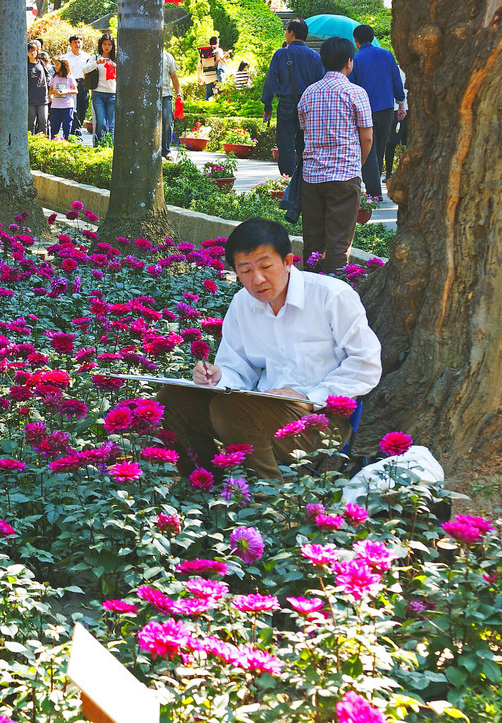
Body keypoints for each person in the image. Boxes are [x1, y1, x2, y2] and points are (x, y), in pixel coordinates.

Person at [155, 217, 381, 479]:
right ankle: (206, 483)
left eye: (265, 266)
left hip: (322, 420)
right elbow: (237, 368)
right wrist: (218, 375)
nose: (258, 279)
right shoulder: (242, 303)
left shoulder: (330, 296)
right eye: (246, 271)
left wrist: (309, 398)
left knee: (231, 409)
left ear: (287, 261)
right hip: (260, 408)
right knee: (173, 399)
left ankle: (268, 496)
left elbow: (366, 365)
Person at [298, 37, 372, 274]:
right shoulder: (356, 93)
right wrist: (357, 165)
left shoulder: (309, 93)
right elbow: (367, 138)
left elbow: (305, 131)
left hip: (312, 178)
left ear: (323, 61)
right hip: (344, 177)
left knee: (313, 242)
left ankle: (311, 286)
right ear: (349, 62)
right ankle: (336, 286)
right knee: (339, 243)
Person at [261, 18, 324, 183]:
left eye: (286, 31)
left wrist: (267, 106)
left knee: (285, 145)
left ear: (292, 33)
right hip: (309, 106)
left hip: (287, 104)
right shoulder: (315, 56)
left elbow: (271, 82)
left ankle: (289, 181)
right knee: (306, 144)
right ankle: (305, 180)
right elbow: (321, 83)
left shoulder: (281, 54)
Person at [349, 24, 405, 201]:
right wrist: (401, 103)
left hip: (366, 109)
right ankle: (375, 187)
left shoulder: (356, 59)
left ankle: (374, 191)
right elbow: (396, 80)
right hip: (387, 109)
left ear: (355, 40)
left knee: (368, 149)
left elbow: (352, 86)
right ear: (373, 38)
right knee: (379, 147)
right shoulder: (387, 55)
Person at [81, 33, 117, 143]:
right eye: (104, 44)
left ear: (113, 46)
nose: (107, 47)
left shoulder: (116, 59)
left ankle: (109, 146)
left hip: (112, 94)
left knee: (111, 124)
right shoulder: (95, 57)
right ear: (101, 45)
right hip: (98, 94)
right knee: (101, 122)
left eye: (109, 44)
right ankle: (98, 145)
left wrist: (117, 67)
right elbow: (84, 70)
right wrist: (97, 63)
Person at [63, 34, 89, 139]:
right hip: (72, 84)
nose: (77, 45)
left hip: (84, 84)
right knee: (74, 108)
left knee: (83, 107)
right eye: (75, 43)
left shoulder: (87, 57)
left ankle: (78, 128)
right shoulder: (66, 57)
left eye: (79, 42)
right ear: (70, 44)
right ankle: (76, 132)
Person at [47, 58, 76, 140]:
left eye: (57, 64)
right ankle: (54, 144)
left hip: (67, 106)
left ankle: (67, 143)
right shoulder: (54, 77)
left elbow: (75, 91)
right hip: (55, 106)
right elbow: (49, 91)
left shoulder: (69, 77)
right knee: (54, 129)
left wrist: (67, 91)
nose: (55, 66)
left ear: (63, 66)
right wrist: (54, 91)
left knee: (67, 128)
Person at [160, 48, 180, 159]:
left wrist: (178, 94)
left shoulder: (168, 57)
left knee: (168, 120)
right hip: (150, 96)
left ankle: (166, 150)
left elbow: (174, 75)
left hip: (166, 95)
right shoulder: (146, 54)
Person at [27, 43, 49, 136]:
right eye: (30, 51)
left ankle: (43, 140)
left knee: (43, 121)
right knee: (30, 122)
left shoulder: (41, 63)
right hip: (30, 98)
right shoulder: (26, 65)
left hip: (42, 97)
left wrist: (49, 90)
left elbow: (47, 76)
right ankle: (30, 140)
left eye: (34, 50)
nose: (32, 53)